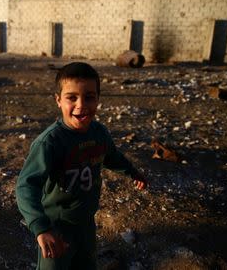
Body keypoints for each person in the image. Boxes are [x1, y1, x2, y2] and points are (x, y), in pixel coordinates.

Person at [16, 62, 147, 269]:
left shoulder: (99, 133)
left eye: (89, 97)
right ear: (58, 100)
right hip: (57, 227)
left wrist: (132, 171)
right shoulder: (50, 142)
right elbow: (26, 186)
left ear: (98, 100)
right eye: (72, 97)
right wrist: (41, 228)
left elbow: (111, 156)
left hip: (86, 223)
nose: (81, 105)